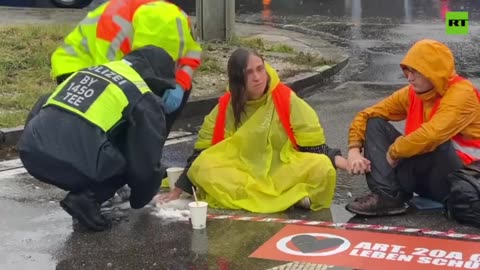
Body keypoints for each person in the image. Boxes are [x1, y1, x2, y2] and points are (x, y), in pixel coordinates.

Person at [157, 48, 348, 212]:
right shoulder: (227, 106)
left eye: (260, 69)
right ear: (239, 79)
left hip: (280, 170)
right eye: (249, 72)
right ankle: (290, 197)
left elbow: (312, 146)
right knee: (205, 166)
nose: (257, 77)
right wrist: (177, 190)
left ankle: (277, 195)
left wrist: (341, 161)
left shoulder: (284, 98)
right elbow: (201, 153)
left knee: (322, 167)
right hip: (243, 173)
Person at [17, 46, 176, 231]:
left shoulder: (90, 72)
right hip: (70, 161)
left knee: (105, 139)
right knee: (129, 158)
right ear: (155, 78)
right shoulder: (141, 94)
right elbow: (144, 159)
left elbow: (43, 102)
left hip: (30, 152)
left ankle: (87, 189)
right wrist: (142, 194)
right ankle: (87, 199)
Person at [345, 39, 480, 216]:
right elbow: (366, 114)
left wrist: (395, 151)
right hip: (426, 175)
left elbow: (432, 135)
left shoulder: (462, 93)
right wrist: (353, 150)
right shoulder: (413, 92)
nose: (409, 77)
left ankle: (393, 191)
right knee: (374, 122)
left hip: (463, 182)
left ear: (434, 73)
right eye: (407, 71)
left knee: (436, 141)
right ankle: (388, 196)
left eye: (416, 72)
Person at [51, 0, 202, 131]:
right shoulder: (163, 13)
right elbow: (150, 69)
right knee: (147, 102)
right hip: (83, 72)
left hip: (75, 67)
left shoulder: (166, 12)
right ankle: (140, 155)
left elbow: (190, 51)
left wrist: (182, 83)